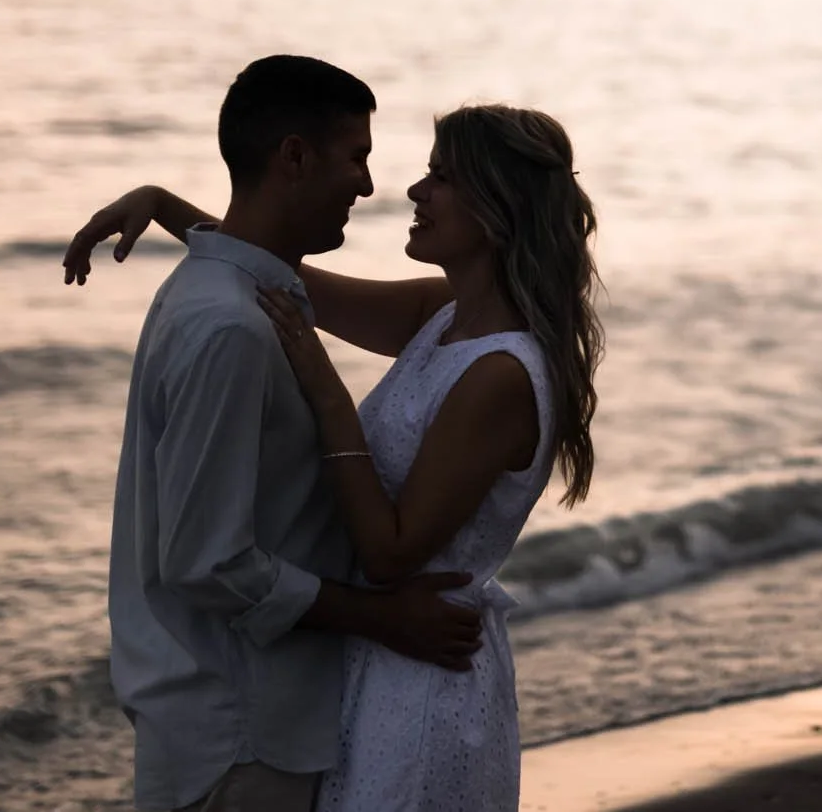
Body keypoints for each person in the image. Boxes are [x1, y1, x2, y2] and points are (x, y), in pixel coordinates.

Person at [67, 95, 604, 812]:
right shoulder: (440, 316)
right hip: (368, 665)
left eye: (440, 176)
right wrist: (165, 205)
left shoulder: (501, 374)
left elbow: (390, 551)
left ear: (496, 206)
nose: (414, 190)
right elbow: (280, 276)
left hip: (422, 683)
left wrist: (327, 394)